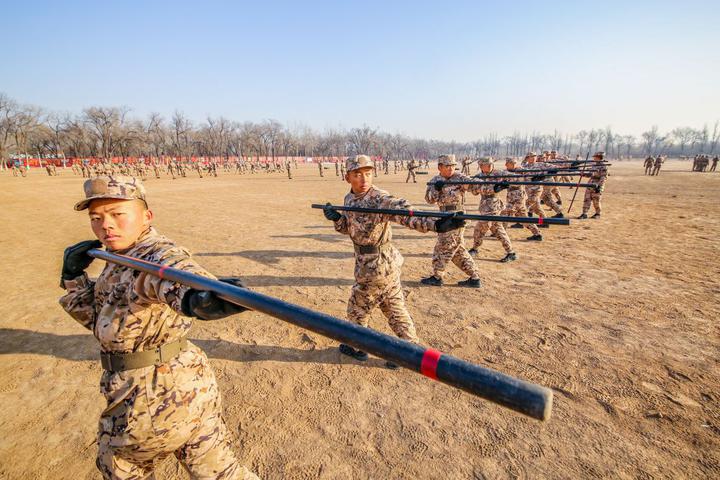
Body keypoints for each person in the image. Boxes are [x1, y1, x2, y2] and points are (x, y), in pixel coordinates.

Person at [59, 175, 258, 479]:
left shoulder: (155, 254)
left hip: (150, 397)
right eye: (96, 218)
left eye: (117, 214)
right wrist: (73, 277)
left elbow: (174, 274)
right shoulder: (118, 254)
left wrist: (198, 297)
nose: (106, 226)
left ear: (146, 216)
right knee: (221, 472)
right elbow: (102, 321)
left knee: (121, 466)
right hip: (188, 383)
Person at [323, 155, 464, 368]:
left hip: (376, 267)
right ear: (347, 177)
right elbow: (350, 229)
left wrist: (435, 224)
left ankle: (358, 346)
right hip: (377, 264)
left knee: (356, 309)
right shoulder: (349, 199)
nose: (364, 179)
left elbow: (403, 211)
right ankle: (410, 350)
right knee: (393, 306)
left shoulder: (379, 198)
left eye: (368, 173)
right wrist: (337, 219)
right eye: (358, 174)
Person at [421, 154, 482, 287]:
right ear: (440, 167)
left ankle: (437, 276)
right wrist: (437, 189)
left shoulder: (459, 178)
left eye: (453, 166)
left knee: (444, 247)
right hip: (443, 216)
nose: (450, 169)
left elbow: (475, 187)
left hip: (457, 217)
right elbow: (429, 200)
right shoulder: (435, 180)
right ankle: (475, 277)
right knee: (457, 250)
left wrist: (488, 183)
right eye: (447, 166)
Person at [468, 157, 517, 262]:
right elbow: (474, 191)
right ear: (481, 166)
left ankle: (475, 249)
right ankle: (511, 252)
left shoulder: (498, 174)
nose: (490, 166)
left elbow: (515, 177)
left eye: (491, 164)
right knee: (496, 229)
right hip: (484, 205)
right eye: (487, 164)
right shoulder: (478, 177)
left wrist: (505, 183)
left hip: (494, 206)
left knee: (480, 228)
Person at [501, 157, 543, 241]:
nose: (505, 165)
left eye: (507, 163)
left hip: (518, 197)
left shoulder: (521, 171)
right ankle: (537, 234)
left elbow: (530, 177)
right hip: (511, 196)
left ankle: (501, 232)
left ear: (513, 164)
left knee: (506, 213)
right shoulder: (507, 171)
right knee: (523, 217)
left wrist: (536, 177)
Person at [578, 152, 609, 219]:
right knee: (587, 199)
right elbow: (590, 174)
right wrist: (582, 173)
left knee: (596, 200)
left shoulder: (604, 166)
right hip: (590, 184)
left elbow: (603, 177)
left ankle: (598, 214)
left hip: (597, 184)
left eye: (595, 157)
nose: (594, 158)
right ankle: (584, 213)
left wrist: (599, 186)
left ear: (599, 157)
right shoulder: (594, 165)